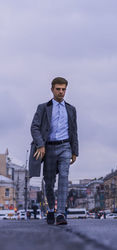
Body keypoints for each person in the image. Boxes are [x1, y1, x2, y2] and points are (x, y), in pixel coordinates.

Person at [29, 77, 79, 225]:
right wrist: (40, 145)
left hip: (65, 147)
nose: (61, 92)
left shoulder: (71, 109)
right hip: (48, 148)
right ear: (52, 89)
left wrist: (75, 151)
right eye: (58, 89)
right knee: (49, 181)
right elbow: (34, 127)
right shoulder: (43, 108)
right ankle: (51, 209)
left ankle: (60, 214)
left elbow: (74, 131)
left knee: (64, 178)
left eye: (63, 89)